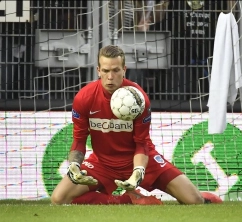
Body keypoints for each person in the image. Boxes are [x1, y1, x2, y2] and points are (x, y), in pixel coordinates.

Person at [51, 44, 222, 205]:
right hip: (103, 163)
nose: (110, 77)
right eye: (106, 71)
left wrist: (138, 171)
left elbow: (142, 143)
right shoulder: (84, 98)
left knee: (194, 200)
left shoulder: (138, 98)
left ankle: (204, 196)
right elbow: (79, 139)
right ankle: (126, 200)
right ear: (98, 71)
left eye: (116, 70)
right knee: (59, 198)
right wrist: (74, 166)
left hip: (140, 161)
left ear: (124, 70)